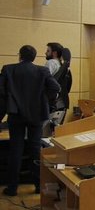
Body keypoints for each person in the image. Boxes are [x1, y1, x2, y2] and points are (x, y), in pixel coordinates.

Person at [0, 45, 60, 196]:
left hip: (15, 115)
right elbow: (56, 87)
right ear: (34, 57)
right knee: (35, 149)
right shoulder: (42, 71)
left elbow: (1, 92)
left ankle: (12, 187)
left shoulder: (8, 69)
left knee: (15, 150)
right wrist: (44, 99)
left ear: (20, 56)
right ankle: (38, 185)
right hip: (36, 115)